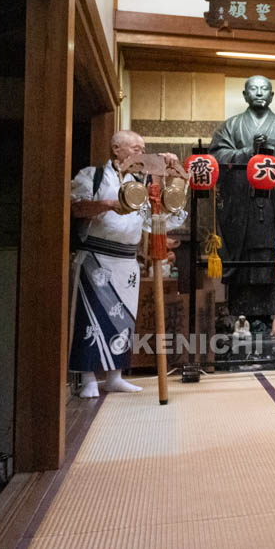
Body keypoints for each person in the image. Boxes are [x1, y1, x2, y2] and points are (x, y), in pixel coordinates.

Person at [68, 131, 186, 398]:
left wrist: (171, 177)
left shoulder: (140, 183)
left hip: (127, 260)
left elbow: (154, 221)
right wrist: (110, 204)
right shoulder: (94, 176)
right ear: (116, 149)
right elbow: (76, 208)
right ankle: (88, 378)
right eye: (135, 148)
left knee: (123, 318)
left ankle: (115, 376)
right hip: (96, 258)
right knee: (91, 317)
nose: (140, 153)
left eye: (143, 149)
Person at [210, 76, 275, 318]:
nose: (258, 93)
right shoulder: (231, 126)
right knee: (244, 263)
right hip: (242, 208)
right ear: (245, 95)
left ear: (272, 95)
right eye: (253, 89)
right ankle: (241, 319)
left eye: (264, 89)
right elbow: (216, 158)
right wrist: (248, 152)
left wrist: (273, 151)